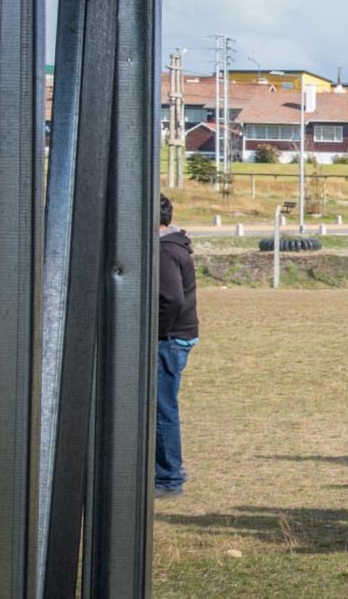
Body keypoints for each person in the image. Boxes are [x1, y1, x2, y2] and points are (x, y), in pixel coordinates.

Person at [157, 194, 199, 499]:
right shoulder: (174, 245)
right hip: (175, 336)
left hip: (168, 340)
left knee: (162, 409)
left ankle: (169, 478)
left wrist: (154, 334)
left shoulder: (163, 251)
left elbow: (171, 299)